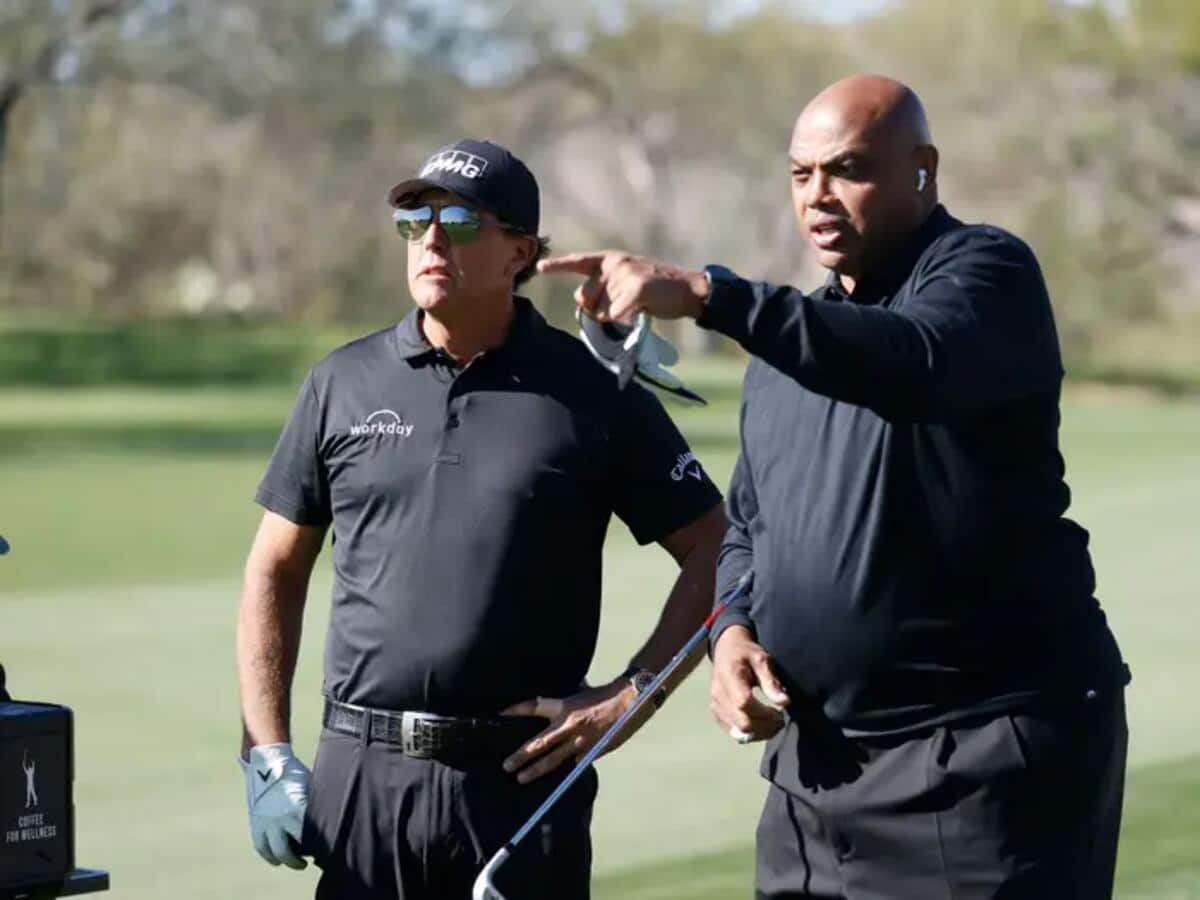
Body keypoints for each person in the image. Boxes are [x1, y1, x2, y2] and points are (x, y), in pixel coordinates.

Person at [539, 75, 1131, 899]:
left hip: (980, 761)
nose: (817, 196)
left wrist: (713, 297)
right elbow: (748, 532)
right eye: (799, 174)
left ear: (922, 168)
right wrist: (733, 634)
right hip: (816, 777)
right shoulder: (787, 358)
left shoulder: (986, 274)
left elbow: (909, 360)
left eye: (847, 169)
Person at [235, 139, 725, 899]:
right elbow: (275, 566)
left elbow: (719, 547)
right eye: (415, 218)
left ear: (518, 252)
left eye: (460, 220)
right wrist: (264, 750)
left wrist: (635, 693)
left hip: (520, 786)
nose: (432, 238)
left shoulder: (595, 392)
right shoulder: (342, 382)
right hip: (359, 781)